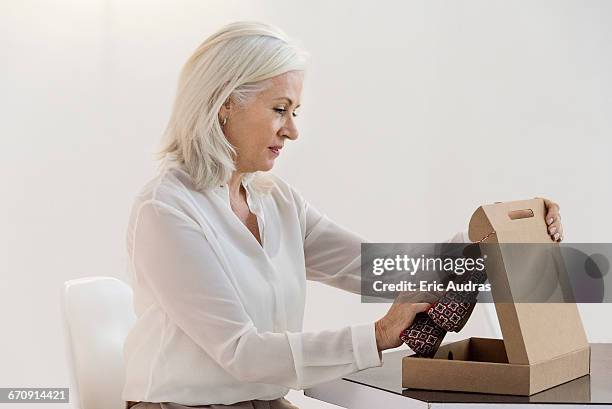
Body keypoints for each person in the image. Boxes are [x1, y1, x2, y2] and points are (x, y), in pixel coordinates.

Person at [121, 21, 564, 409]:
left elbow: (375, 268)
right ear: (225, 104)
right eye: (280, 110)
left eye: (294, 112)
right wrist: (378, 335)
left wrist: (494, 234)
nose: (292, 130)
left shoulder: (276, 201)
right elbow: (242, 353)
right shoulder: (167, 211)